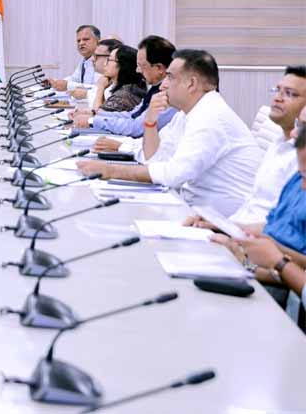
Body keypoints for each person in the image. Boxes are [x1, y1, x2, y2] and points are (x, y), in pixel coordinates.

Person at [77, 49, 261, 216]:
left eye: (170, 77)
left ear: (191, 84)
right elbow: (156, 159)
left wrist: (110, 170)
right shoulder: (186, 113)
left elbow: (173, 174)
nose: (163, 85)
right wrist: (150, 122)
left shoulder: (210, 117)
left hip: (220, 221)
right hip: (191, 208)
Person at [187, 69, 306, 226]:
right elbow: (252, 205)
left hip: (256, 237)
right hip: (239, 229)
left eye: (290, 94)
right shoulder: (278, 142)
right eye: (278, 90)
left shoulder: (299, 158)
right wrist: (219, 224)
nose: (278, 98)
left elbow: (285, 227)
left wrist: (226, 227)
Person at [209, 126, 306, 315]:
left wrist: (274, 261)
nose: (295, 133)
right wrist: (227, 229)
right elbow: (272, 230)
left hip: (284, 289)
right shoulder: (296, 179)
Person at [80, 35, 178, 143]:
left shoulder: (169, 95)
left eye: (141, 66)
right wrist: (95, 115)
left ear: (159, 68)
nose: (138, 70)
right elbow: (133, 114)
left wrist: (93, 120)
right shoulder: (155, 88)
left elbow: (137, 128)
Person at [90, 45, 146, 112]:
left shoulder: (124, 95)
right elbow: (105, 108)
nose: (105, 64)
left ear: (122, 65)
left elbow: (97, 115)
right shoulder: (130, 88)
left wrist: (100, 88)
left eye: (109, 60)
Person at [48, 25, 100, 91]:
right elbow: (74, 79)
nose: (81, 43)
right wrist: (55, 83)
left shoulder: (103, 61)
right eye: (78, 41)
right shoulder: (84, 60)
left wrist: (68, 85)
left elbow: (97, 89)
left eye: (86, 39)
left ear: (98, 41)